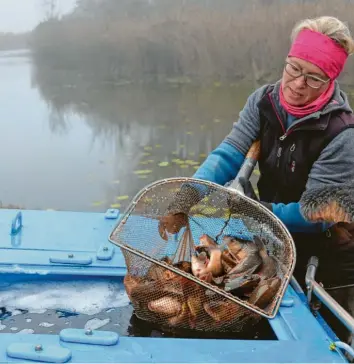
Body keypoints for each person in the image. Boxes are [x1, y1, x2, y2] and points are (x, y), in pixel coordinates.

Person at [159, 16, 354, 344]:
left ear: (331, 80)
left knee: (323, 338)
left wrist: (254, 211)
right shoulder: (264, 101)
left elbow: (315, 216)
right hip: (273, 237)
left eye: (314, 78)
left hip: (327, 249)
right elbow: (228, 154)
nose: (297, 84)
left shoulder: (342, 134)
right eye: (293, 68)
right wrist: (188, 195)